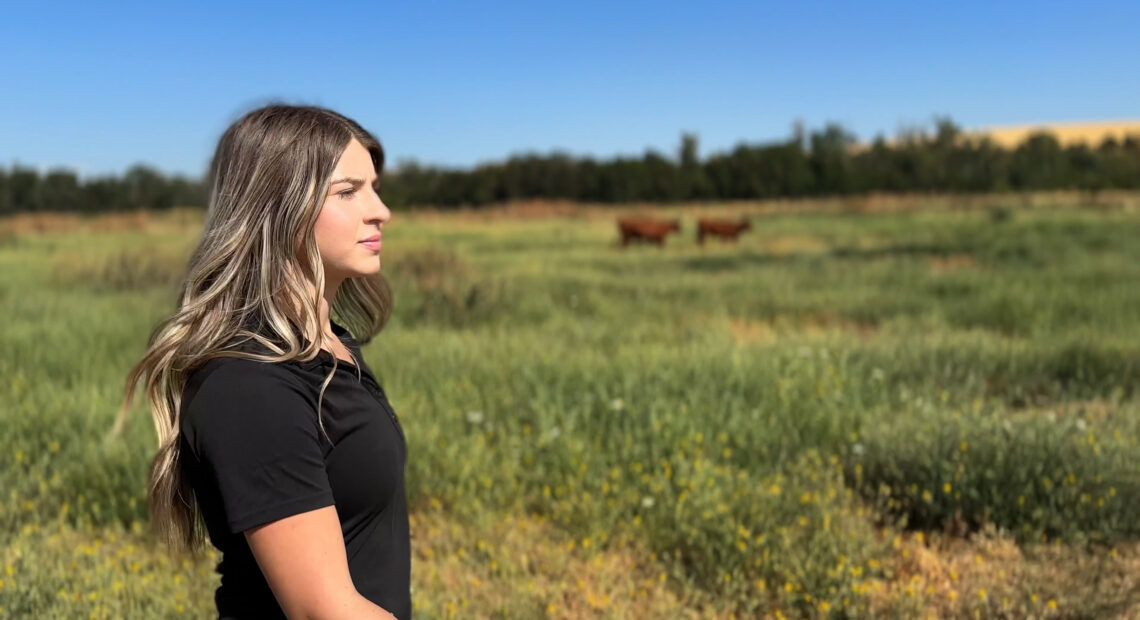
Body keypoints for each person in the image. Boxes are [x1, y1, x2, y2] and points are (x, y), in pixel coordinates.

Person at [116, 103, 410, 619]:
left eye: (375, 187)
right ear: (279, 208)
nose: (380, 211)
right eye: (348, 191)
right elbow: (327, 612)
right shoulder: (250, 384)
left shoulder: (328, 346)